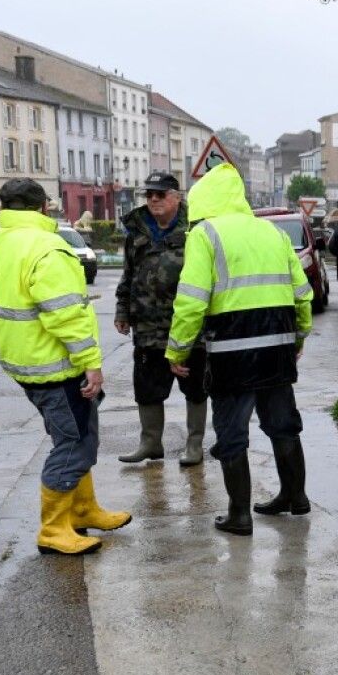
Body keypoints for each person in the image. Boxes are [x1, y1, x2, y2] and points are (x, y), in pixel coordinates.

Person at [0, 179, 130, 554]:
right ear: (44, 207)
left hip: (23, 361)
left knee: (74, 434)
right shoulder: (48, 247)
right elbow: (65, 315)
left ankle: (83, 509)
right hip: (57, 366)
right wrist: (91, 364)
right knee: (75, 445)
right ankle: (55, 529)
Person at [166, 163, 313, 535]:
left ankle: (239, 514)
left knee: (232, 433)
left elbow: (191, 301)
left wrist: (177, 350)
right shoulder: (272, 232)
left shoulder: (205, 234)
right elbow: (302, 295)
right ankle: (295, 498)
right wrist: (298, 338)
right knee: (283, 425)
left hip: (232, 352)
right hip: (277, 347)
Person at [115, 171, 208, 466]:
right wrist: (122, 309)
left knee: (194, 387)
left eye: (160, 194)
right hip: (147, 327)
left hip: (188, 325)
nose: (153, 199)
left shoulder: (196, 230)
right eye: (149, 194)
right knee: (147, 387)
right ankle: (151, 443)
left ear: (176, 197)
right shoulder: (138, 230)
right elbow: (128, 274)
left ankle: (194, 445)